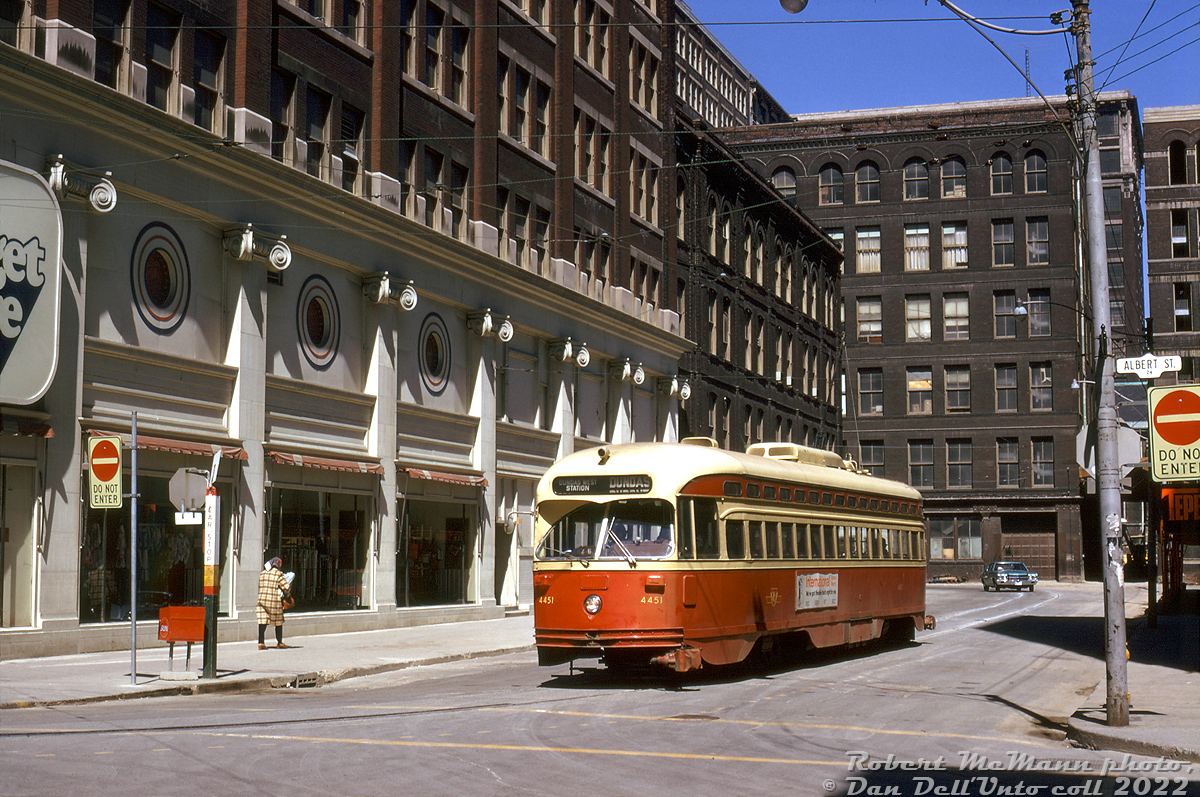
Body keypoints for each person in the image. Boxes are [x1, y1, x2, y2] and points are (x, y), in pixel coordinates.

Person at [256, 557, 293, 650]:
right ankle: (279, 642)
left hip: (262, 601)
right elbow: (286, 587)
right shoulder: (278, 574)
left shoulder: (263, 573)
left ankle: (261, 643)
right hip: (274, 601)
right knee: (278, 622)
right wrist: (288, 596)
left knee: (262, 622)